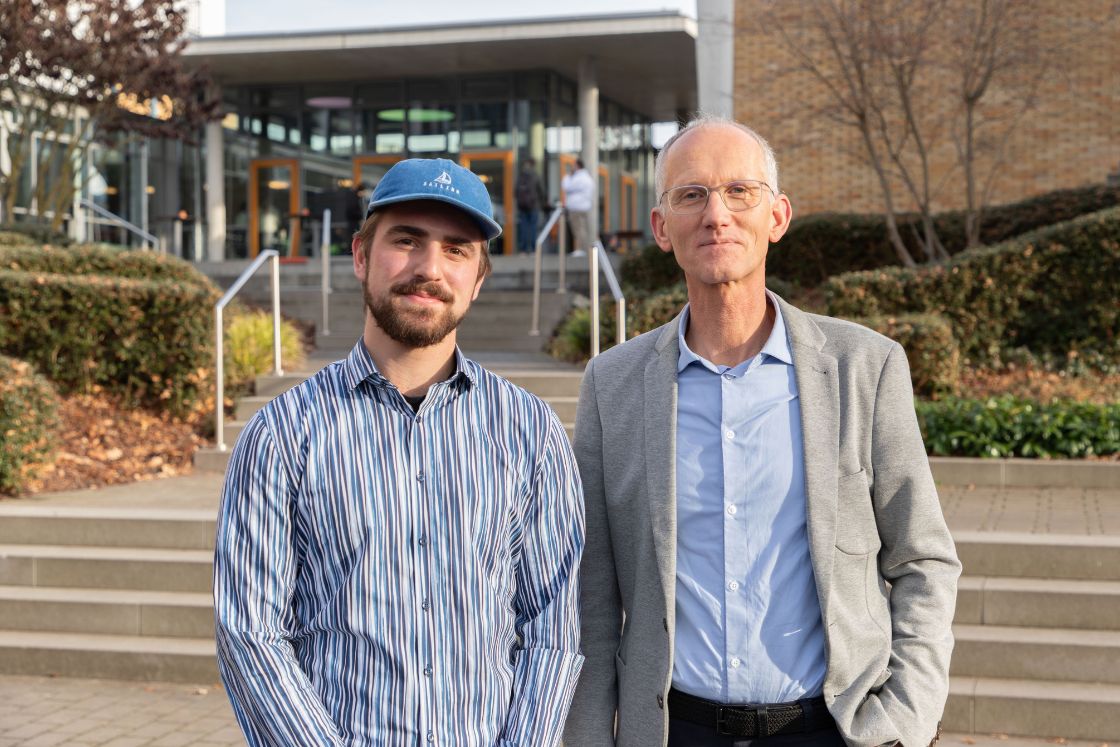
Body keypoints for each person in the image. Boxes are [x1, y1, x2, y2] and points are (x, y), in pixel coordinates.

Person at [564, 116, 960, 747]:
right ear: (663, 229)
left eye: (739, 192)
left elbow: (923, 559)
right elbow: (591, 595)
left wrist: (907, 720)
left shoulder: (866, 366)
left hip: (834, 728)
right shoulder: (612, 385)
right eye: (690, 195)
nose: (716, 214)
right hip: (674, 730)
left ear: (776, 216)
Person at [214, 157, 585, 747]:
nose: (428, 268)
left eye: (457, 249)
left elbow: (552, 631)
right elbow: (249, 633)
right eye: (406, 240)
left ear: (479, 278)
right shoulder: (283, 434)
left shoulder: (530, 432)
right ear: (361, 256)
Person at [561, 157, 595, 255]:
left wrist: (569, 176)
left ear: (577, 166)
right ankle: (584, 249)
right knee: (583, 228)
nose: (572, 167)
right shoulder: (587, 177)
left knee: (578, 229)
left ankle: (580, 249)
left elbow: (566, 186)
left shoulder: (577, 177)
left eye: (573, 165)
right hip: (584, 207)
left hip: (576, 208)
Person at [515, 158, 547, 253]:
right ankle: (533, 249)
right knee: (533, 227)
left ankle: (523, 249)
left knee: (523, 227)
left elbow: (515, 191)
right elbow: (542, 191)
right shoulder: (536, 175)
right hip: (534, 206)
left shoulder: (521, 176)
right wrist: (543, 202)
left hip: (522, 206)